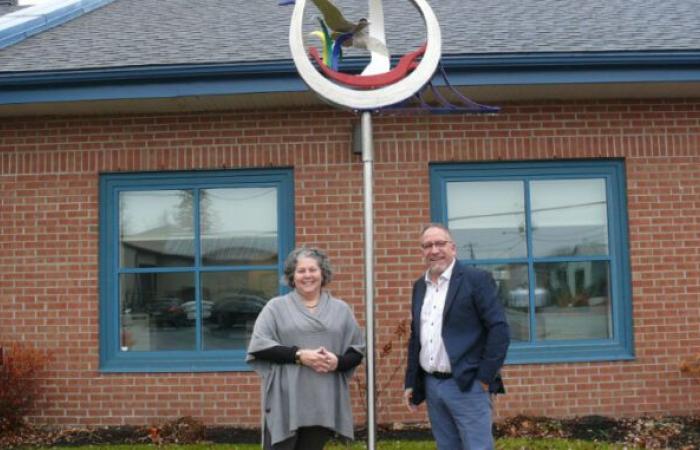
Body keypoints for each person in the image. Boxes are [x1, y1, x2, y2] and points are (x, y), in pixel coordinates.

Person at [404, 223, 510, 450]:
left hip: (467, 383)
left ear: (453, 248)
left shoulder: (476, 280)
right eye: (427, 245)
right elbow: (417, 337)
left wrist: (484, 378)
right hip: (433, 385)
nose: (434, 250)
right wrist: (411, 381)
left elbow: (499, 330)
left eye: (440, 243)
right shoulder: (419, 287)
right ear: (422, 251)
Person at [247, 247, 365, 450]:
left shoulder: (340, 309)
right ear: (292, 276)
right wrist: (300, 355)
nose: (307, 275)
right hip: (285, 399)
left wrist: (338, 362)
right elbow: (259, 347)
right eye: (301, 271)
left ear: (323, 273)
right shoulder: (275, 307)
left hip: (322, 399)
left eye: (313, 270)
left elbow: (356, 351)